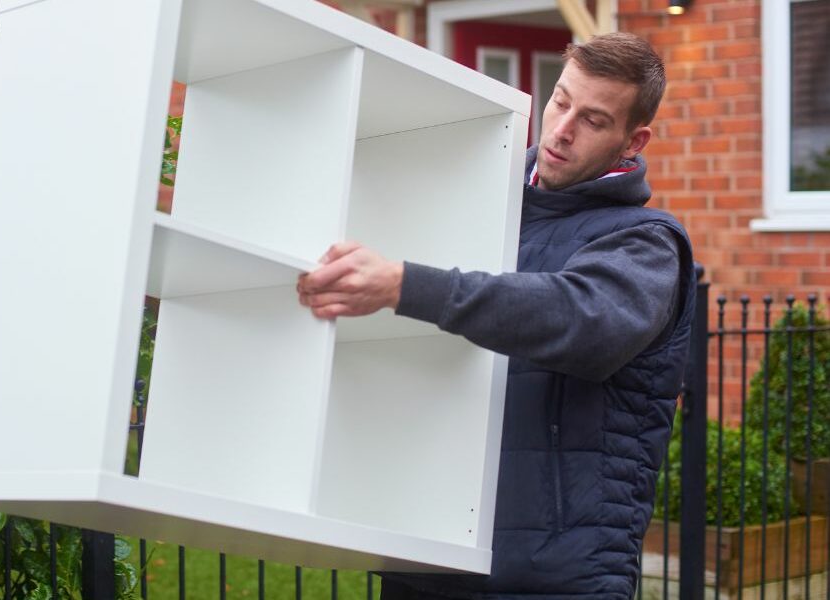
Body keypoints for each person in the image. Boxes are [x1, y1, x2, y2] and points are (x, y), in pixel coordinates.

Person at [298, 32, 696, 599]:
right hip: (422, 553)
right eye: (560, 101)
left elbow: (582, 320)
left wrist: (406, 285)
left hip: (553, 580)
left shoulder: (645, 245)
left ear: (633, 142)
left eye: (593, 120)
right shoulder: (476, 207)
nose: (562, 130)